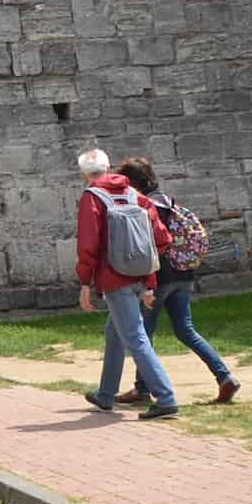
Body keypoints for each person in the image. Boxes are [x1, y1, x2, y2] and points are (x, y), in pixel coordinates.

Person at [115, 156, 239, 406]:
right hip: (183, 273)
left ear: (133, 183)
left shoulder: (146, 206)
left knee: (143, 334)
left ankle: (143, 388)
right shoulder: (168, 201)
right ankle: (225, 377)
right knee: (185, 330)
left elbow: (148, 247)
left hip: (160, 277)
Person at [73, 146, 179, 420]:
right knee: (115, 332)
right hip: (140, 274)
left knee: (135, 337)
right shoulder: (136, 196)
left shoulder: (92, 198)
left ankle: (165, 398)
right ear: (108, 169)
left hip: (114, 277)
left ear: (85, 175)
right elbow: (162, 239)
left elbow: (88, 245)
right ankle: (106, 394)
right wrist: (149, 281)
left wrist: (85, 284)